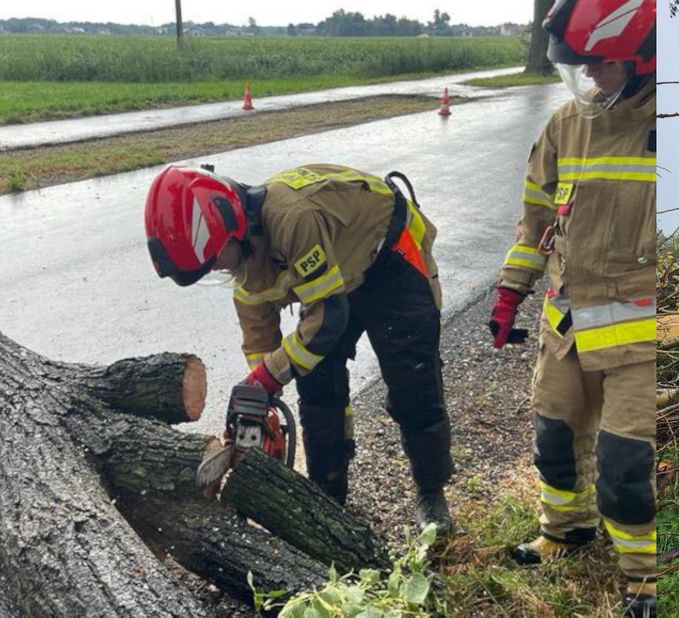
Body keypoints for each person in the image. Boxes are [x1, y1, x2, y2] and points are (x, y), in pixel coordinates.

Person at [144, 163, 454, 533]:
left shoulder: (292, 220)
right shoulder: (240, 260)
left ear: (232, 229)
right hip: (332, 277)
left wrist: (265, 380)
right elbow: (260, 336)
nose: (216, 269)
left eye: (215, 260)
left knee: (412, 382)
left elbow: (328, 319)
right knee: (317, 383)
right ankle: (328, 492)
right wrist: (262, 402)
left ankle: (431, 493)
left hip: (388, 257)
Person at [487, 1, 657, 615]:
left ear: (643, 63)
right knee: (554, 434)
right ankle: (567, 532)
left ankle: (644, 576)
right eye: (581, 68)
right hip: (566, 322)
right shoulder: (566, 124)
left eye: (602, 67)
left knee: (626, 461)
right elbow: (534, 220)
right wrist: (511, 292)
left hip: (642, 337)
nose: (591, 80)